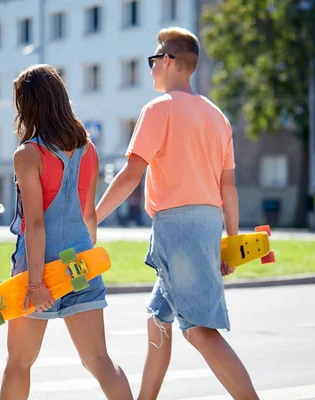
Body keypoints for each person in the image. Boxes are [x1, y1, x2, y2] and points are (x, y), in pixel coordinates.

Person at [95, 27, 259, 400]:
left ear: (170, 61)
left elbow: (131, 175)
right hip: (205, 224)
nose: (152, 67)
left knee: (198, 329)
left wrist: (93, 217)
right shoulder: (217, 117)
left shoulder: (158, 109)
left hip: (178, 229)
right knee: (158, 320)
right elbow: (227, 188)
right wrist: (230, 241)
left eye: (154, 60)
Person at [0, 64, 133, 400]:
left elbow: (36, 222)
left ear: (29, 105)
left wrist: (34, 282)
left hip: (38, 269)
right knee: (99, 360)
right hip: (81, 265)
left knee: (18, 363)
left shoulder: (28, 154)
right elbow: (88, 216)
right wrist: (85, 264)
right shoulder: (88, 149)